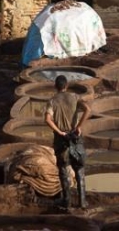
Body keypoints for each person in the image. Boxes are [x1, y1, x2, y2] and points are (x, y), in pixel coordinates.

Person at [45, 75, 91, 209]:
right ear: (66, 86)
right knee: (79, 167)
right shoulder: (75, 97)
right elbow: (88, 110)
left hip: (62, 137)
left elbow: (47, 119)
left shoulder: (52, 101)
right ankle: (82, 202)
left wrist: (59, 132)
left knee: (63, 169)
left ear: (56, 86)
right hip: (75, 135)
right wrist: (79, 127)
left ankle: (67, 201)